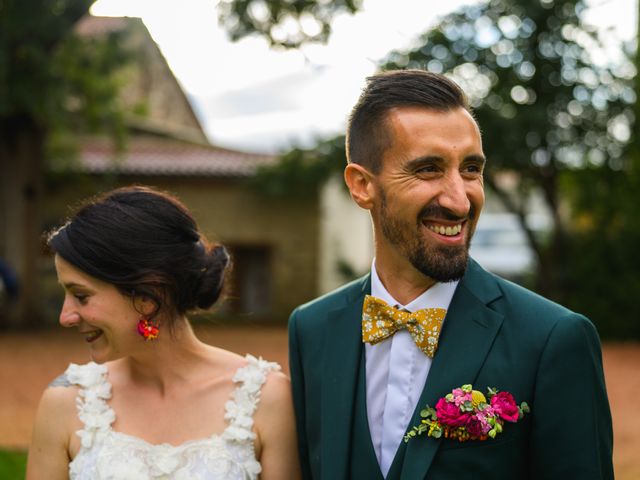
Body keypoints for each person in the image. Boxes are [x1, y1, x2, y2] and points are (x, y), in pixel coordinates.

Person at [288, 70, 613, 479]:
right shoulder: (312, 328)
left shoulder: (554, 339)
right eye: (428, 169)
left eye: (471, 169)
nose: (460, 201)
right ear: (362, 186)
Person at [27, 186, 300, 480]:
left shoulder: (265, 398)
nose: (65, 317)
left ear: (148, 295)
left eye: (81, 296)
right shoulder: (65, 403)